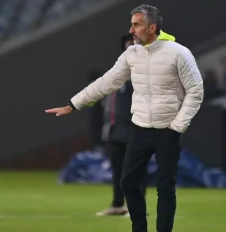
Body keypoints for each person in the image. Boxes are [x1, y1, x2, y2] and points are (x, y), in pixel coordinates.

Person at [46, 4, 204, 232]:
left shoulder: (179, 53)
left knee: (165, 187)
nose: (131, 30)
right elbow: (106, 82)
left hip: (168, 130)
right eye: (131, 24)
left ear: (152, 27)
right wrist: (74, 104)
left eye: (136, 24)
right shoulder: (131, 54)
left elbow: (196, 90)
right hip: (139, 129)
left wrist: (178, 125)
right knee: (128, 183)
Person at [96, 34, 148, 216]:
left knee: (138, 170)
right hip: (116, 130)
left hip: (136, 129)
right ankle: (118, 205)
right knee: (118, 170)